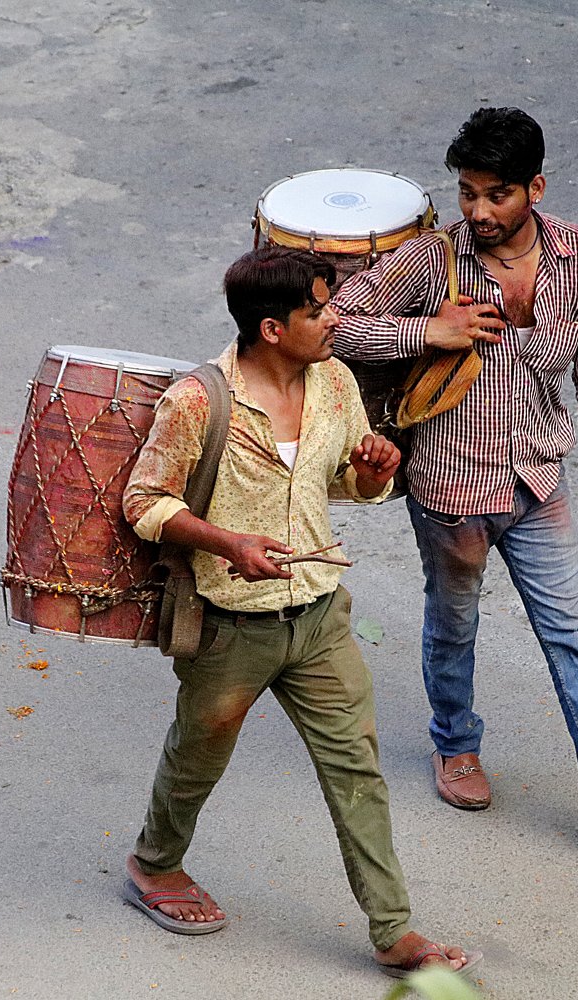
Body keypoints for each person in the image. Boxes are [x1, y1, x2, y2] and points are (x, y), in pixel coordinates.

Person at [332, 107, 578, 850]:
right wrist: (428, 330)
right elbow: (336, 325)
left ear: (534, 188)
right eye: (467, 193)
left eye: (496, 194)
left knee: (572, 635)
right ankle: (455, 745)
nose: (478, 211)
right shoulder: (431, 258)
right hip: (449, 484)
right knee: (454, 624)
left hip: (539, 478)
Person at [121, 246, 480, 978]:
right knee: (197, 758)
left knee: (356, 770)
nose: (335, 319)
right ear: (272, 329)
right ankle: (154, 865)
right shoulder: (198, 401)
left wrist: (373, 473)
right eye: (317, 311)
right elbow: (143, 502)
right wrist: (227, 543)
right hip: (230, 625)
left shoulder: (335, 381)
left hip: (318, 617)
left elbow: (342, 483)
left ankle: (393, 931)